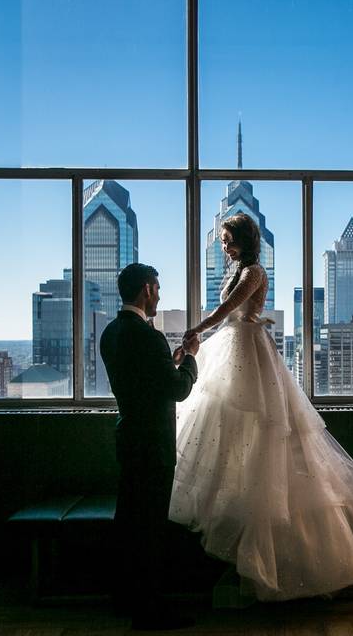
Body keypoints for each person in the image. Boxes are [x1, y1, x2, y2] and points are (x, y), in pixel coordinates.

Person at [171, 213, 353, 601]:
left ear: (244, 239)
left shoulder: (253, 270)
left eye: (228, 240)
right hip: (235, 348)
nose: (224, 246)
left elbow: (229, 311)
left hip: (246, 350)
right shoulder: (240, 269)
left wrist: (195, 331)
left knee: (266, 433)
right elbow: (229, 313)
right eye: (222, 241)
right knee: (235, 432)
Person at [99, 263, 199, 631]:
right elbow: (177, 390)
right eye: (157, 288)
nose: (159, 295)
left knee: (129, 524)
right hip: (154, 444)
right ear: (146, 289)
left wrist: (169, 362)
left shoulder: (111, 334)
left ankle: (124, 599)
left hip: (128, 437)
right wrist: (189, 358)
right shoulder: (149, 336)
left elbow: (141, 379)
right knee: (150, 531)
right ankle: (150, 611)